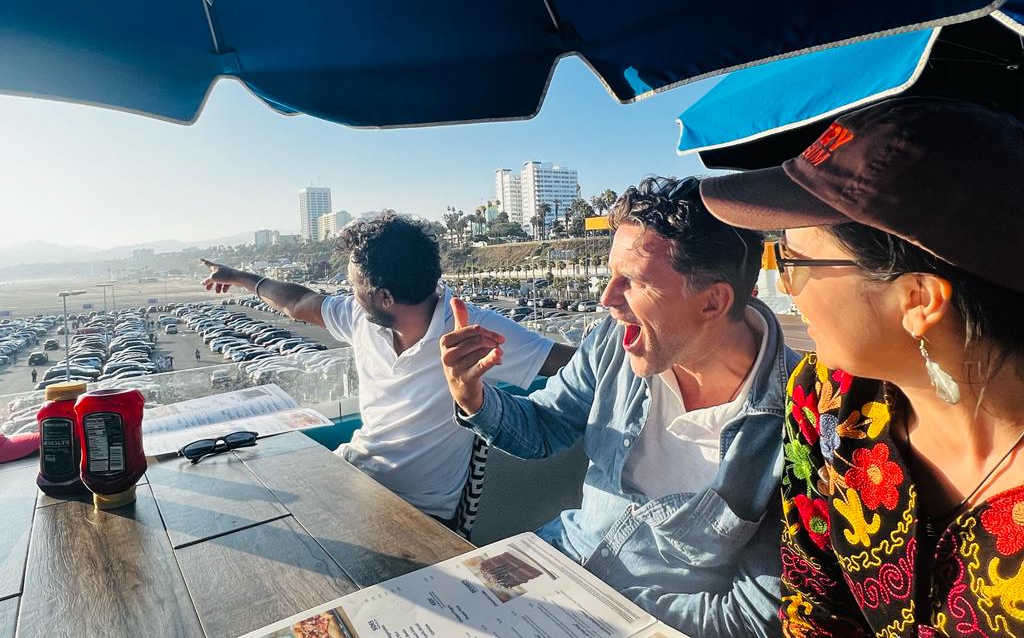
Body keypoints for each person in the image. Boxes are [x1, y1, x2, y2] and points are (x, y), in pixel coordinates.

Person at [699, 97, 1024, 635]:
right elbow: (812, 600)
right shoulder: (829, 402)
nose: (782, 287)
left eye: (795, 261)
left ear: (919, 299)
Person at [441, 177, 801, 637]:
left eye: (632, 282)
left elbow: (751, 617)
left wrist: (589, 610)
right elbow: (546, 427)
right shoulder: (614, 344)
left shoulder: (798, 421)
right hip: (550, 569)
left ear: (713, 301)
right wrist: (473, 395)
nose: (606, 299)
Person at [201, 212, 574, 525]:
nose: (348, 295)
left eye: (353, 286)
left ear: (385, 297)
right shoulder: (362, 318)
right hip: (353, 475)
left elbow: (574, 362)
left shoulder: (473, 330)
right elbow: (299, 301)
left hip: (420, 514)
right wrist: (239, 278)